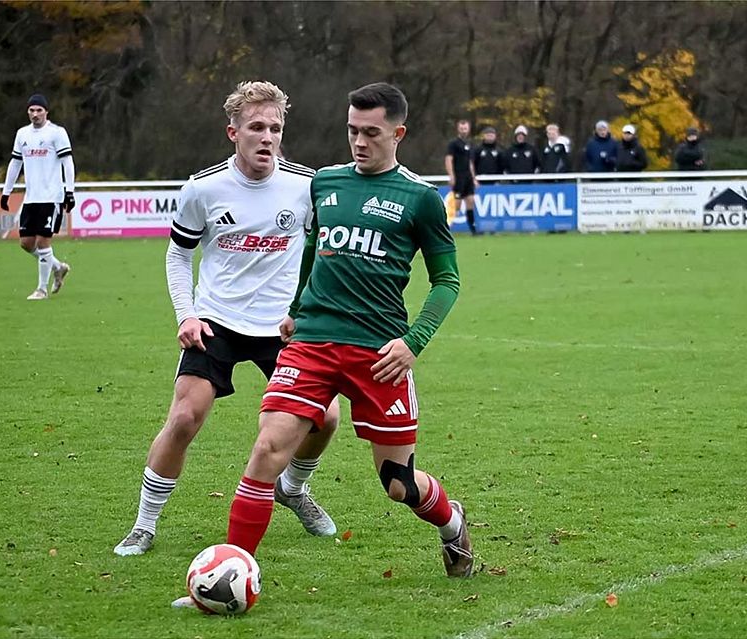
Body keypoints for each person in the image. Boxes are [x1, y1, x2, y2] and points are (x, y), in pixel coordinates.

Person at [223, 82, 472, 581]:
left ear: (398, 133)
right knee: (268, 449)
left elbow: (448, 281)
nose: (359, 142)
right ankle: (232, 573)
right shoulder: (326, 183)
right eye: (352, 131)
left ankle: (452, 524)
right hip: (312, 343)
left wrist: (413, 341)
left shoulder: (421, 199)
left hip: (379, 352)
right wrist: (296, 308)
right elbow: (314, 250)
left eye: (372, 133)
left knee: (398, 484)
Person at [114, 81, 339, 558]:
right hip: (216, 320)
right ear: (232, 132)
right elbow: (178, 256)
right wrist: (186, 315)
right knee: (184, 417)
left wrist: (307, 311)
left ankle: (293, 489)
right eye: (256, 127)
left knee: (328, 418)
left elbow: (322, 253)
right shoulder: (203, 188)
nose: (267, 137)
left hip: (282, 327)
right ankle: (144, 524)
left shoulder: (306, 186)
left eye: (275, 128)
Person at [0, 94, 74, 300]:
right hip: (31, 198)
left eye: (39, 110)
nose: (35, 114)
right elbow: (15, 163)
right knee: (26, 243)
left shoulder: (56, 133)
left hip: (52, 197)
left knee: (43, 242)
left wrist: (70, 191)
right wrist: (6, 191)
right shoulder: (22, 134)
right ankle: (58, 267)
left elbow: (68, 162)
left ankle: (41, 289)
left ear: (46, 111)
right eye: (31, 110)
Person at [445, 119, 478, 234]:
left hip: (468, 177)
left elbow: (470, 162)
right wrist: (451, 175)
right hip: (458, 177)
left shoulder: (469, 144)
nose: (464, 130)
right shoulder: (453, 144)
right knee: (457, 204)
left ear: (468, 129)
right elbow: (449, 159)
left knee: (470, 201)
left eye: (465, 128)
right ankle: (446, 229)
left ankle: (473, 230)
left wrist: (473, 178)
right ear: (458, 129)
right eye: (461, 128)